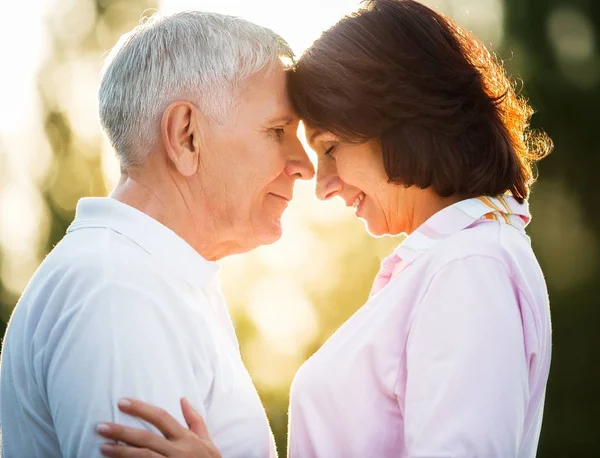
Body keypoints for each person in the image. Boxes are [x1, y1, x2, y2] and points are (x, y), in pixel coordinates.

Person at [96, 0, 553, 457]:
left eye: (330, 148)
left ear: (401, 122)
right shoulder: (452, 261)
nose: (323, 186)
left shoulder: (470, 266)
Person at [0, 11, 314, 458]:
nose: (304, 165)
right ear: (186, 136)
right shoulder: (118, 291)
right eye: (278, 131)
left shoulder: (151, 279)